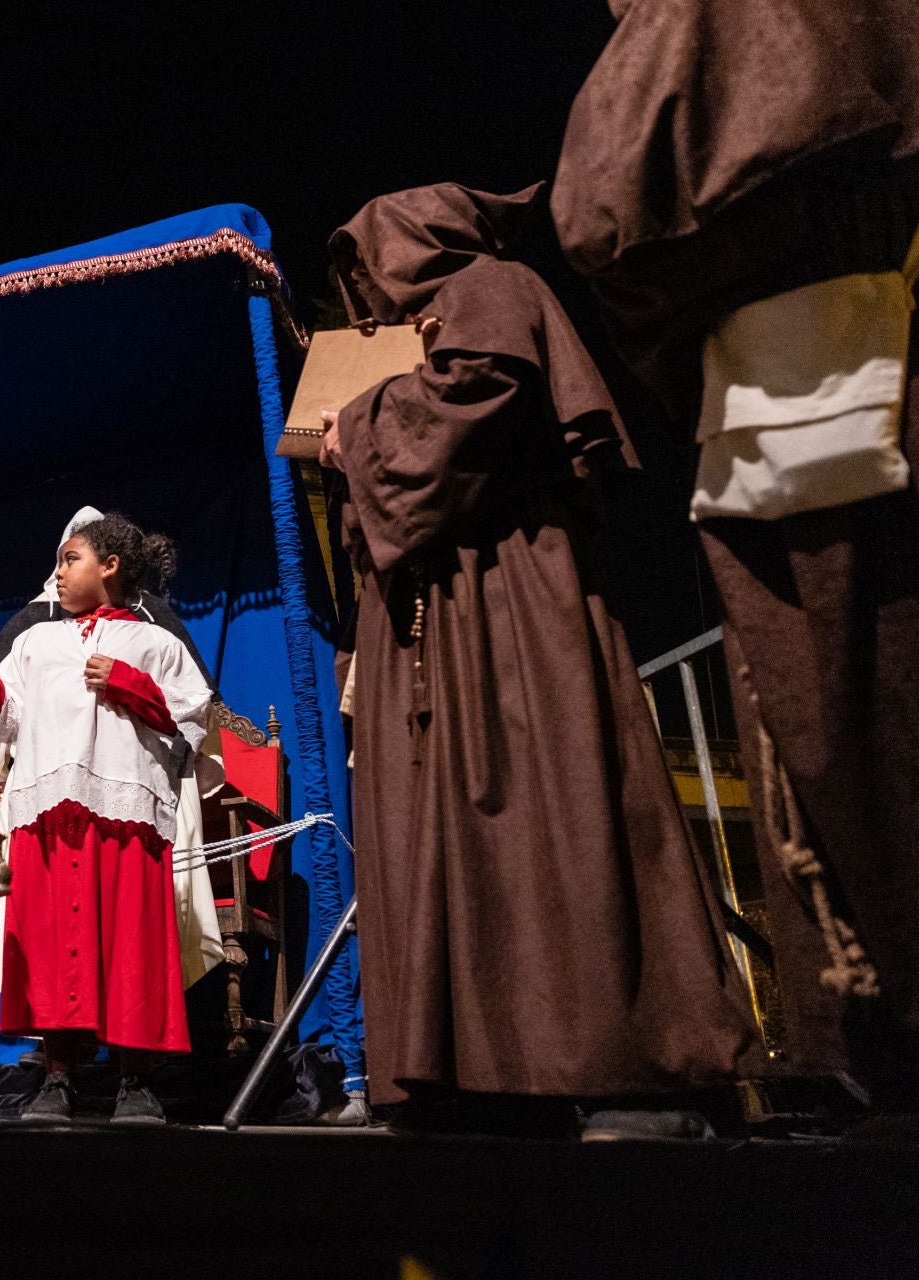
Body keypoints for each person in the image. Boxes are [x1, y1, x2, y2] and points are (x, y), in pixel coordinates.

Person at [319, 183, 757, 1132]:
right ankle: (467, 1074)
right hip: (428, 602)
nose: (364, 288)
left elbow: (481, 393)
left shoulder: (490, 284)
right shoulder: (427, 321)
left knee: (551, 803)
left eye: (369, 258)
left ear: (415, 237)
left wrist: (351, 426)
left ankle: (625, 1068)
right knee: (435, 832)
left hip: (510, 593)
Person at [553, 0, 919, 1113]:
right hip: (790, 412)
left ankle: (873, 1020)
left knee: (845, 715)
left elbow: (605, 213)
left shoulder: (716, 27)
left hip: (817, 410)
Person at [0, 514, 213, 1125]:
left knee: (131, 943)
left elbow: (192, 720)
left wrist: (126, 682)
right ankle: (57, 1074)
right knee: (51, 946)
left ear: (111, 566)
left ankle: (135, 1081)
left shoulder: (157, 643)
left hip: (124, 815)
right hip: (50, 815)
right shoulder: (37, 642)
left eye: (70, 558)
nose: (59, 571)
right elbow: (6, 716)